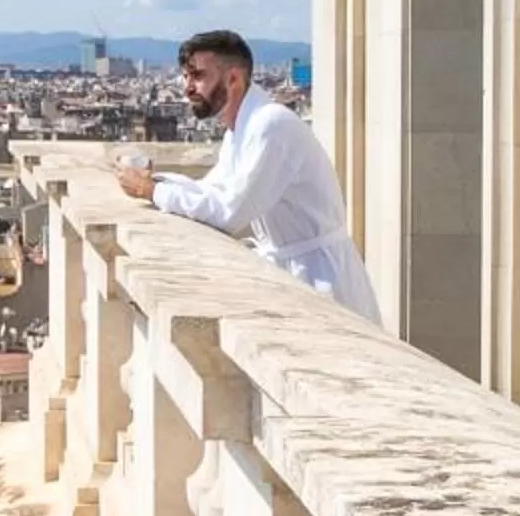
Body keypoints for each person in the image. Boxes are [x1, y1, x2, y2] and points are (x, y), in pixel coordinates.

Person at [117, 29, 384, 324]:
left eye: (198, 76)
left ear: (233, 79)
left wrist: (152, 190)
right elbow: (212, 191)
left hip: (319, 277)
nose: (188, 88)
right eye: (186, 77)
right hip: (296, 269)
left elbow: (230, 213)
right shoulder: (243, 128)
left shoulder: (271, 124)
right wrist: (155, 182)